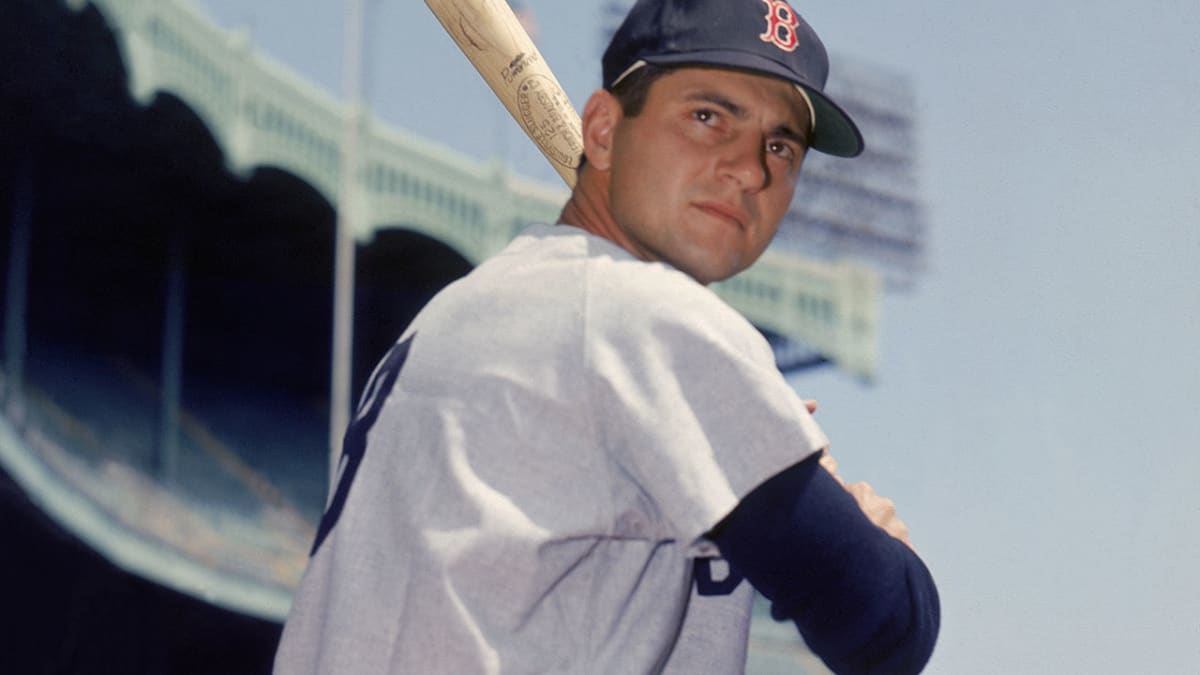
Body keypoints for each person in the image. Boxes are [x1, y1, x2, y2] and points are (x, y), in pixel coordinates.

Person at [274, 0, 940, 673]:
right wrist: (857, 519)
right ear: (601, 130)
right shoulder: (649, 317)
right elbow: (889, 625)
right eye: (708, 117)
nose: (751, 169)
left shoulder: (466, 306)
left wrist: (755, 446)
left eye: (780, 145)